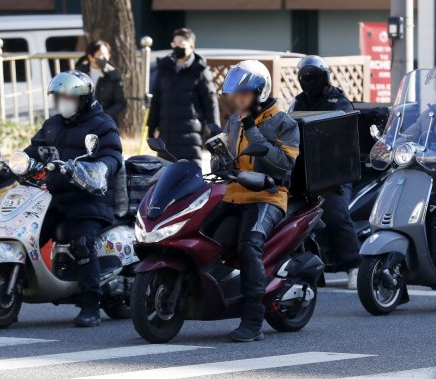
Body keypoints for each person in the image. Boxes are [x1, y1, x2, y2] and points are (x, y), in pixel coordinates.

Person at [205, 60, 299, 342]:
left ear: (260, 92)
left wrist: (253, 129)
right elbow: (229, 156)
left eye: (244, 94)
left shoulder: (284, 123)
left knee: (249, 246)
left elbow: (284, 165)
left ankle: (253, 319)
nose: (238, 99)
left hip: (268, 196)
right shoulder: (234, 121)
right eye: (237, 94)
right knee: (201, 236)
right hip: (233, 193)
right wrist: (218, 160)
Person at [24, 70, 123, 327]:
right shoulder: (53, 125)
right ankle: (14, 287)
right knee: (28, 234)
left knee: (81, 241)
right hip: (56, 197)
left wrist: (101, 168)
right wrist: (18, 161)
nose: (63, 101)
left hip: (90, 199)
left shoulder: (102, 124)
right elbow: (34, 150)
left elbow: (113, 155)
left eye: (69, 96)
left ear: (84, 98)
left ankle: (91, 304)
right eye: (59, 96)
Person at [289, 55, 360, 289]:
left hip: (335, 172)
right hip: (306, 172)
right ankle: (311, 266)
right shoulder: (298, 103)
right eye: (306, 78)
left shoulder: (338, 101)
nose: (311, 82)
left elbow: (345, 130)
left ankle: (354, 266)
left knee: (336, 213)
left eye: (315, 77)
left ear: (326, 77)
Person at [148, 28, 220, 166]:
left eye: (181, 43)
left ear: (192, 46)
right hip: (166, 134)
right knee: (165, 176)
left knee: (190, 176)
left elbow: (210, 102)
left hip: (191, 136)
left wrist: (214, 130)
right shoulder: (165, 68)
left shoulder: (199, 70)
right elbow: (156, 100)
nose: (177, 46)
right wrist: (151, 127)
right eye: (174, 43)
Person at [76, 41, 126, 127]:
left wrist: (103, 115)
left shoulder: (113, 75)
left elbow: (120, 102)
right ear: (91, 57)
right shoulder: (79, 73)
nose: (104, 58)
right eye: (101, 54)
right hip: (82, 121)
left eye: (107, 54)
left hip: (105, 122)